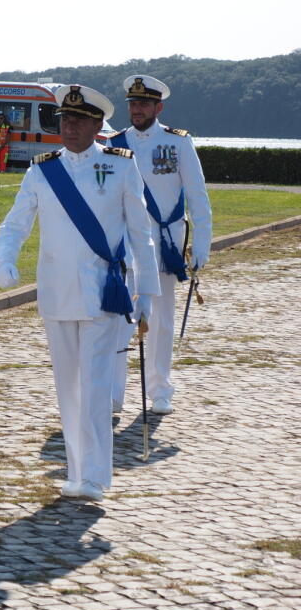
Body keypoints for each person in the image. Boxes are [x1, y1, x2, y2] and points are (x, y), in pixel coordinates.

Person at [0, 84, 159, 504]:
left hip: (104, 293)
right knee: (68, 388)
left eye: (78, 120)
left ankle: (96, 475)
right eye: (64, 120)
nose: (68, 127)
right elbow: (15, 223)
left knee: (95, 386)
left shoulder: (121, 166)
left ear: (97, 125)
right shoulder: (42, 169)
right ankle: (75, 470)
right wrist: (4, 260)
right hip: (56, 292)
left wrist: (147, 294)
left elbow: (142, 235)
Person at [107, 75, 212, 415]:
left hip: (164, 240)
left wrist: (201, 243)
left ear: (158, 107)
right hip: (124, 244)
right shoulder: (114, 142)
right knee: (120, 315)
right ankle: (113, 394)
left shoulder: (178, 143)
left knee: (162, 318)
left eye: (143, 104)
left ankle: (160, 388)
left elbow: (196, 193)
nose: (136, 110)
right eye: (132, 104)